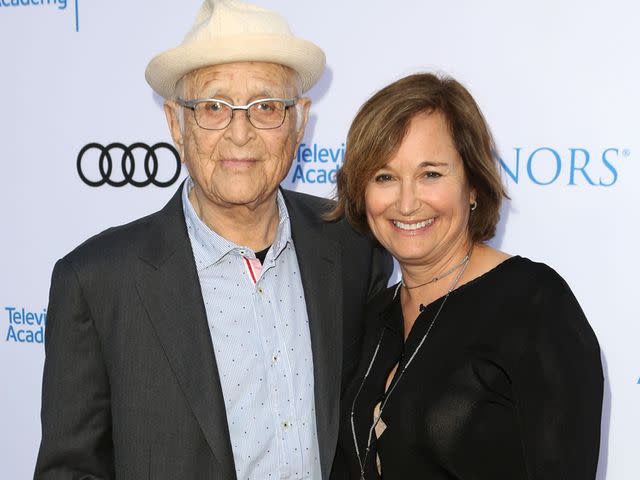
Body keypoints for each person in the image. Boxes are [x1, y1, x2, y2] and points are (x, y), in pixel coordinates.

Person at [34, 1, 392, 479]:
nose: (240, 133)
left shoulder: (351, 245)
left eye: (266, 106)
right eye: (213, 108)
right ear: (175, 124)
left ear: (300, 121)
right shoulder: (97, 282)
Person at [329, 73, 603, 479]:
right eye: (384, 177)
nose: (407, 203)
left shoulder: (533, 303)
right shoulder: (370, 315)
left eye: (431, 174)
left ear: (472, 185)